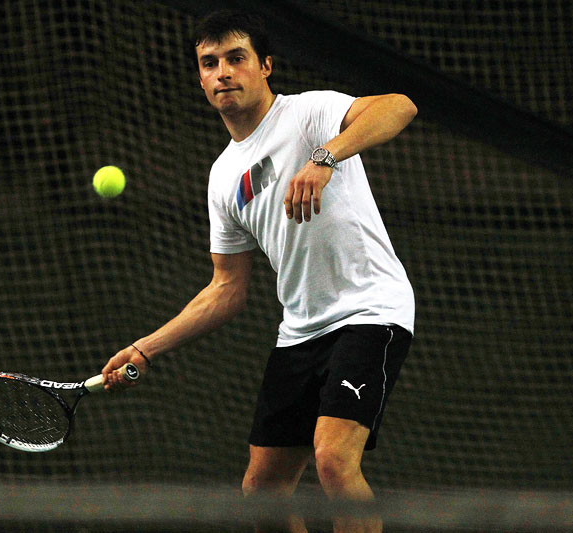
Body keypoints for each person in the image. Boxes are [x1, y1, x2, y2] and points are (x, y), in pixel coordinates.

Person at [102, 9, 417, 533]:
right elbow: (226, 289)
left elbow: (399, 106)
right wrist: (145, 348)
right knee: (262, 493)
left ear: (265, 65)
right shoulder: (223, 177)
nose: (223, 71)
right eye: (209, 63)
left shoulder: (309, 113)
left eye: (236, 58)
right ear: (200, 78)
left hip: (371, 309)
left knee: (335, 461)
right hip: (300, 331)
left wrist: (325, 157)